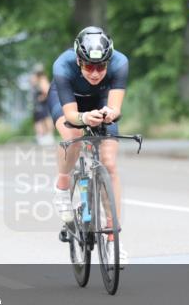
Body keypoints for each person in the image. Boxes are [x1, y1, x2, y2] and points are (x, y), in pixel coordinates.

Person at [46, 26, 129, 266]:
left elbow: (115, 108)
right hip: (69, 100)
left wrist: (108, 114)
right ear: (79, 61)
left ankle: (113, 238)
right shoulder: (62, 65)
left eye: (101, 67)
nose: (95, 73)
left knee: (110, 163)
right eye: (89, 67)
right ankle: (62, 187)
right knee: (73, 135)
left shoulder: (120, 63)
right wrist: (84, 119)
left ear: (109, 62)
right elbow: (71, 115)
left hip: (101, 101)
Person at [30, 64, 52, 145]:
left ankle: (47, 136)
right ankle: (41, 136)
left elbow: (47, 91)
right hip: (37, 104)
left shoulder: (43, 79)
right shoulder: (36, 79)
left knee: (45, 119)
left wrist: (42, 98)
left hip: (43, 104)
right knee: (38, 120)